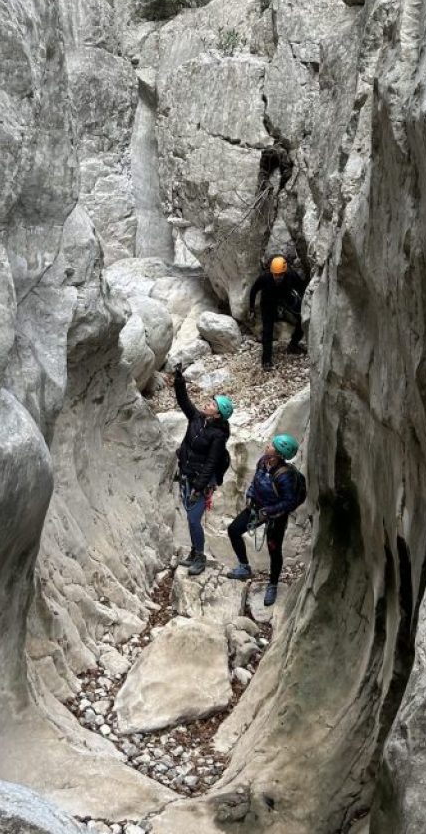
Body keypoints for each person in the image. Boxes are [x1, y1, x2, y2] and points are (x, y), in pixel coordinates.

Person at [226, 434, 306, 606]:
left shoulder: (285, 476)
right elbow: (256, 482)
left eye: (271, 445)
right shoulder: (263, 461)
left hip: (275, 516)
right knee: (234, 530)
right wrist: (250, 495)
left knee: (274, 550)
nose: (267, 445)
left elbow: (289, 502)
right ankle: (244, 567)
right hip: (257, 507)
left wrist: (268, 511)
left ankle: (273, 584)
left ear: (277, 453)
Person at [172, 363, 233, 577]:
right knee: (190, 516)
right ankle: (194, 551)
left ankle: (200, 556)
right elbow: (183, 401)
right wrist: (179, 379)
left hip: (201, 481)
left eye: (212, 404)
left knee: (193, 518)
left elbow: (211, 463)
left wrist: (199, 487)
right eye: (209, 402)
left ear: (217, 415)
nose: (207, 404)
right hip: (187, 475)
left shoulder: (218, 436)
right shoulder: (197, 419)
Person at [248, 255, 307, 370]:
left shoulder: (291, 275)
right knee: (268, 330)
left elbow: (302, 289)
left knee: (302, 318)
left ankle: (293, 345)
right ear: (272, 272)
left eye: (280, 275)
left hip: (285, 297)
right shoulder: (265, 278)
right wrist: (251, 309)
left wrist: (305, 305)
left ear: (285, 272)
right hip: (268, 301)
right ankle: (266, 360)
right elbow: (254, 290)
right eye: (276, 274)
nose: (278, 277)